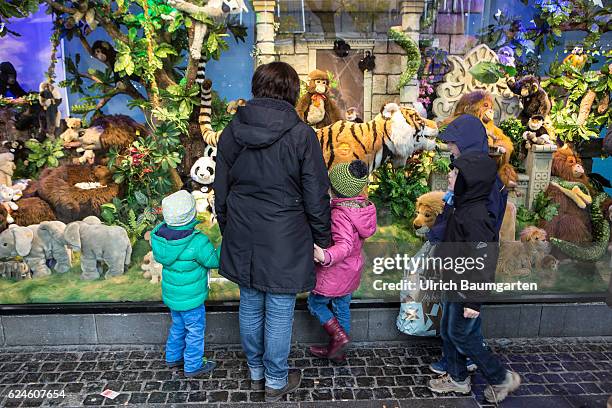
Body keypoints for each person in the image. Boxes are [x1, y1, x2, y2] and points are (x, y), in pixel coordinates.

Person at [213, 61, 331, 402]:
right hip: (286, 236)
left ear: (256, 87)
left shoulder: (232, 130)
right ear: (293, 92)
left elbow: (221, 188)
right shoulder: (302, 134)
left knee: (250, 303)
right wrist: (323, 239)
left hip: (243, 231)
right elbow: (316, 193)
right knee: (278, 309)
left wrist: (228, 226)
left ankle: (256, 374)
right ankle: (275, 382)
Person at [427, 118, 520, 404]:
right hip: (454, 276)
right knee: (449, 329)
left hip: (466, 285)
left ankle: (501, 377)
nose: (450, 175)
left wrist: (473, 300)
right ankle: (457, 378)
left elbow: (482, 256)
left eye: (455, 173)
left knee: (463, 334)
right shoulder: (463, 204)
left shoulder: (476, 213)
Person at [308, 159, 377, 363]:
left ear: (334, 188)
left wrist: (325, 255)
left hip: (336, 271)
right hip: (352, 270)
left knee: (315, 303)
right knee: (341, 307)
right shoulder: (362, 207)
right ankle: (338, 352)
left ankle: (338, 337)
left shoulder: (340, 213)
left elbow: (344, 245)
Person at [150, 190, 220, 377]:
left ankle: (173, 358)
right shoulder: (197, 241)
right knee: (195, 331)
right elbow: (213, 261)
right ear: (192, 214)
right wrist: (223, 247)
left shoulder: (161, 239)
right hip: (192, 300)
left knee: (178, 326)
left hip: (173, 297)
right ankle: (193, 365)